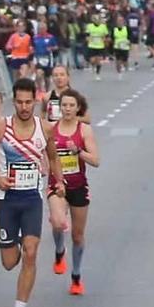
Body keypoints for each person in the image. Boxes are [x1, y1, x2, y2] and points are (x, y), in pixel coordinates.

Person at [0, 77, 56, 307]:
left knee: (30, 252)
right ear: (14, 102)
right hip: (6, 199)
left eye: (29, 102)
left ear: (35, 101)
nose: (24, 107)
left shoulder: (44, 128)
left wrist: (57, 181)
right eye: (19, 102)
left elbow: (52, 158)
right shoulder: (0, 128)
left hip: (31, 198)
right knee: (9, 262)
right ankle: (12, 241)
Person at [47, 89, 100, 295]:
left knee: (78, 236)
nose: (67, 109)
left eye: (71, 105)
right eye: (64, 105)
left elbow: (96, 160)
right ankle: (59, 251)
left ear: (78, 108)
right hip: (57, 184)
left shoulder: (84, 130)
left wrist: (78, 151)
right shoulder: (51, 129)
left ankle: (76, 276)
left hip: (78, 186)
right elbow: (46, 157)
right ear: (60, 107)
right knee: (58, 222)